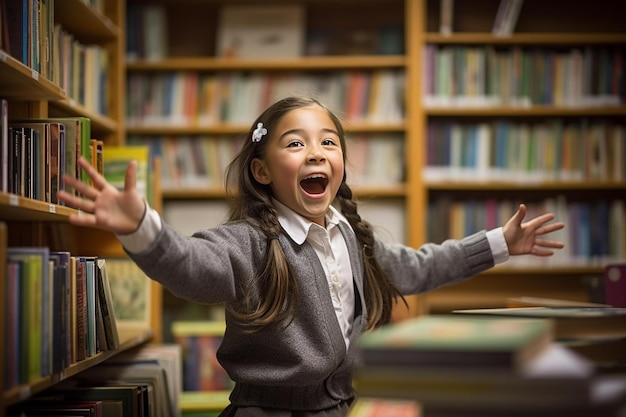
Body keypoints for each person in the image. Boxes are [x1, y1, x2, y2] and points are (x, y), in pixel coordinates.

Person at [59, 96, 565, 417]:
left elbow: (419, 267)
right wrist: (140, 227)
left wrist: (499, 242)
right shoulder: (250, 242)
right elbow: (191, 268)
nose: (317, 152)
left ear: (342, 162)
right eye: (295, 144)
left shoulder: (353, 237)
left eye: (328, 141)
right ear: (261, 171)